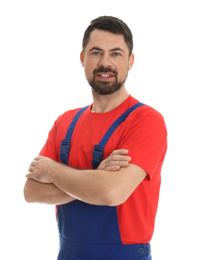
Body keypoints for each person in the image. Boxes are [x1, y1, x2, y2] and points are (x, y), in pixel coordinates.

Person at [24, 16, 167, 260]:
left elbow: (111, 193)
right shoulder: (64, 122)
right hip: (67, 253)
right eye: (96, 52)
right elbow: (31, 191)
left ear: (130, 61)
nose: (105, 63)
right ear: (83, 58)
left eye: (116, 54)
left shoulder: (146, 121)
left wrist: (53, 171)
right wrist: (96, 178)